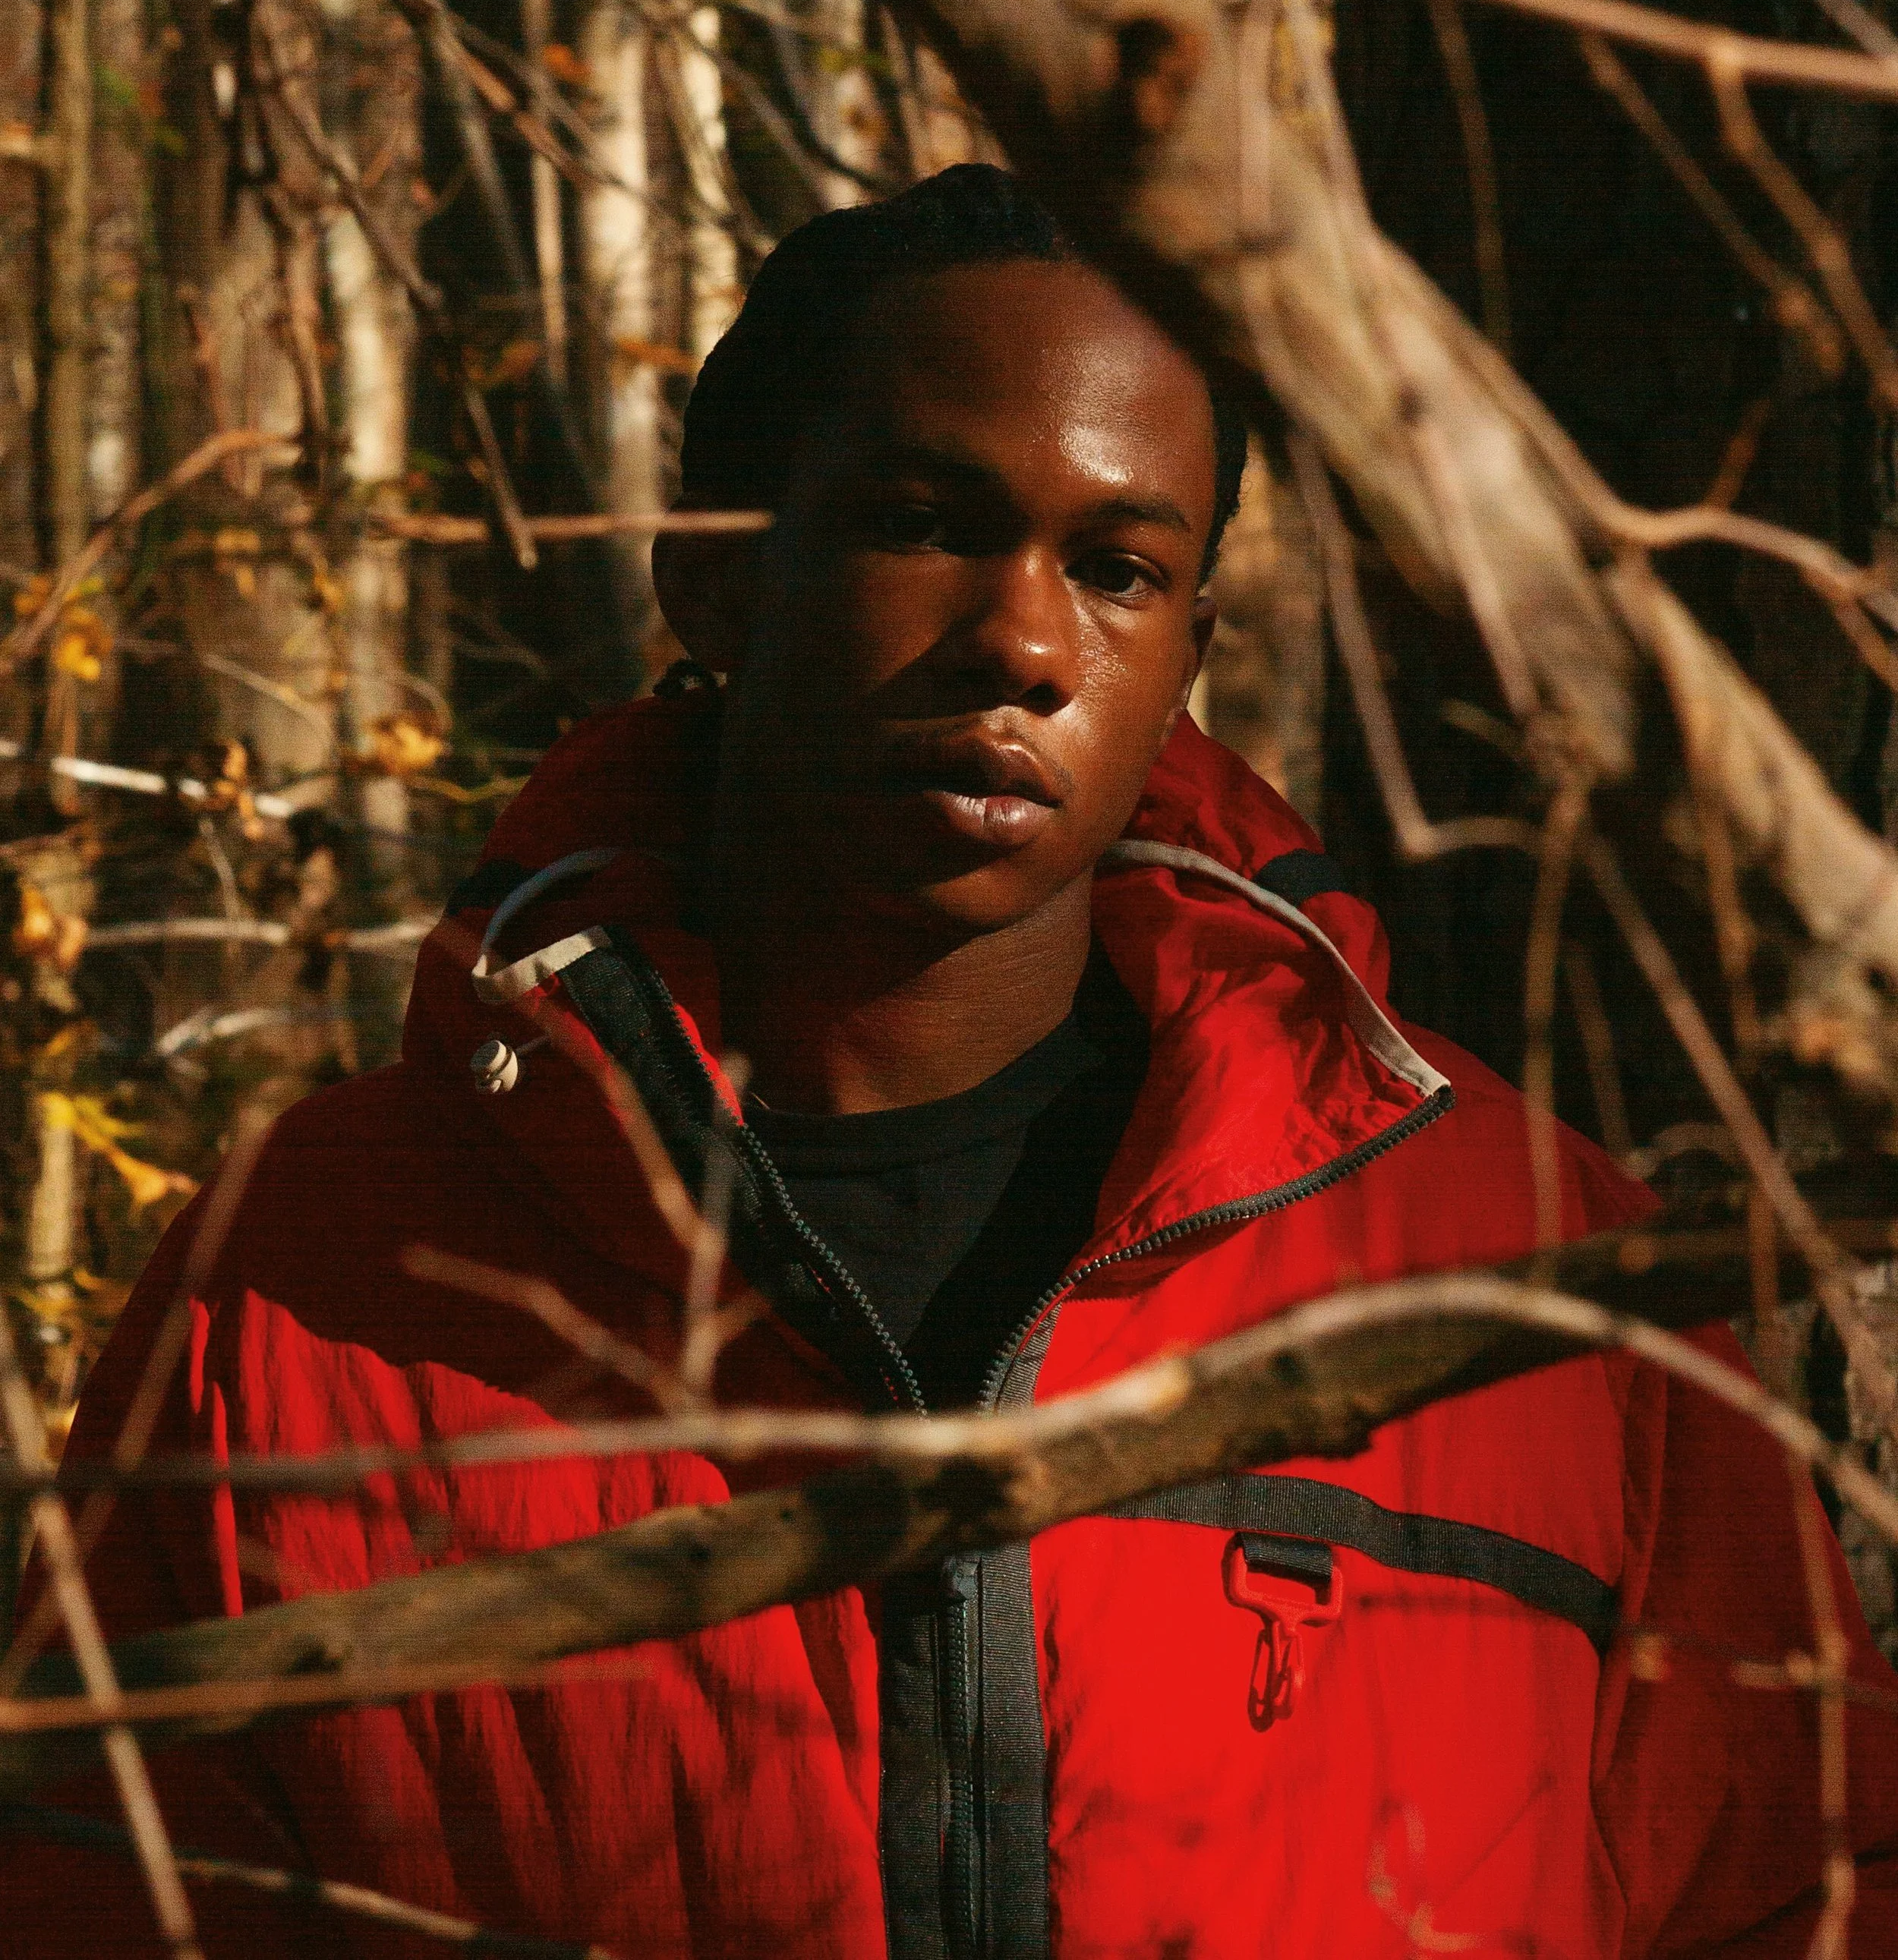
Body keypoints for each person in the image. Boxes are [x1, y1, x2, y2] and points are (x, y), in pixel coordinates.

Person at [6, 164, 1897, 1958]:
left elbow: (1802, 1898)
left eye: (1118, 567)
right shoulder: (320, 1270)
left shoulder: (1512, 1263)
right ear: (715, 580)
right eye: (922, 523)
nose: (1021, 641)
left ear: (1187, 650)